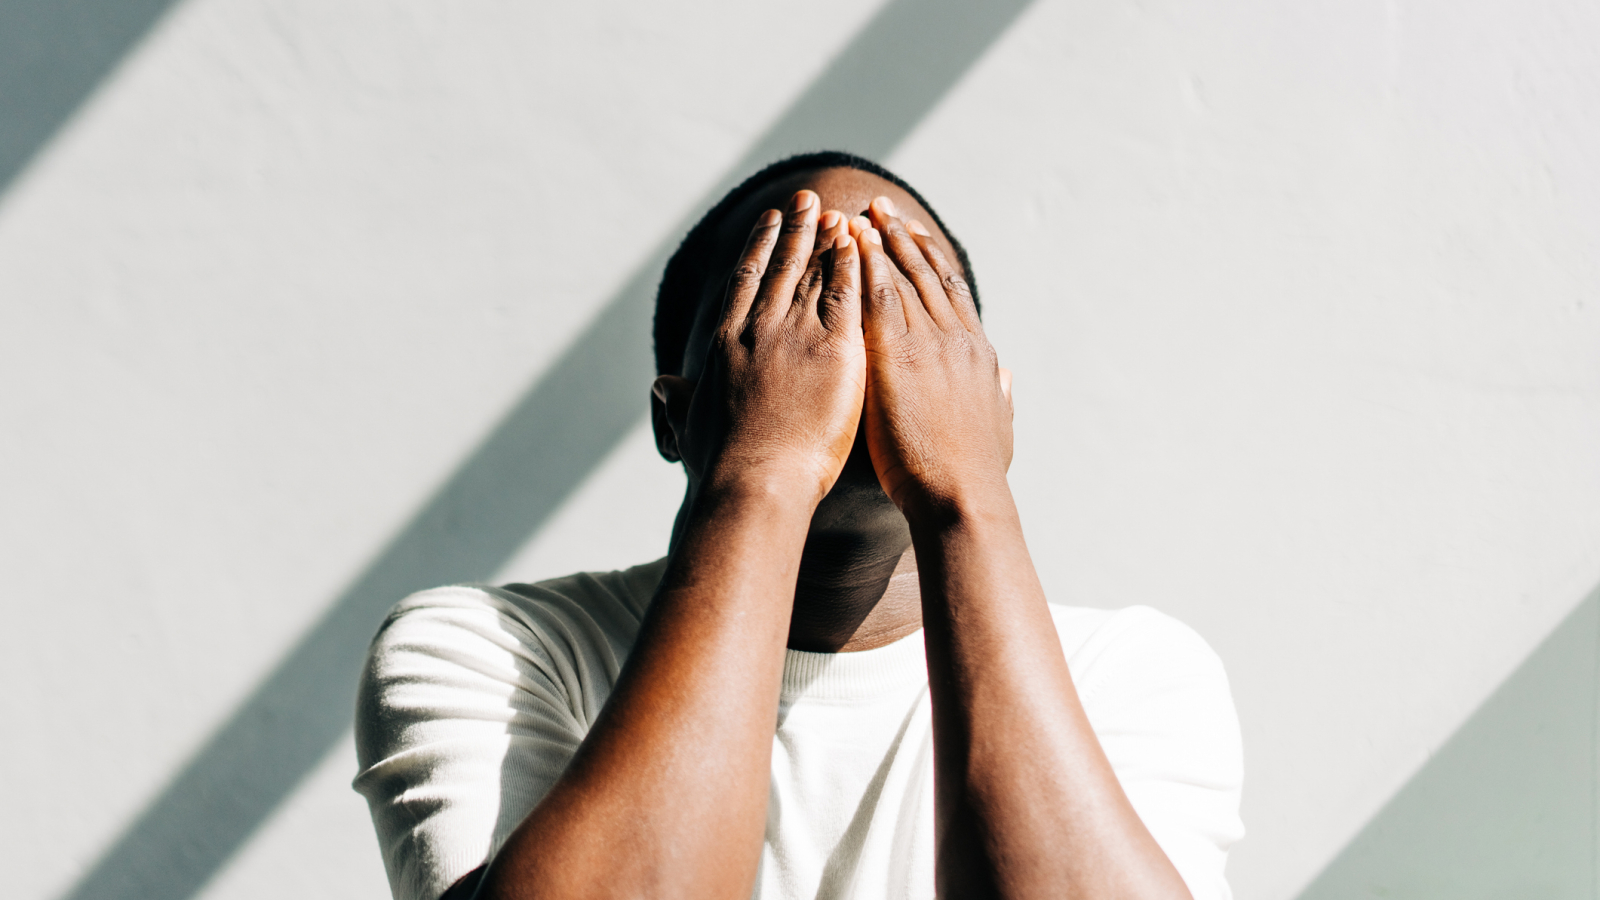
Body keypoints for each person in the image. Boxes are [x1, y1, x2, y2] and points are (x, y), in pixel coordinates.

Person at [352, 151, 1244, 900]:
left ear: (991, 397)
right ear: (677, 417)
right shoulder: (486, 649)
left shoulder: (1134, 672)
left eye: (907, 296)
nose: (849, 336)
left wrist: (966, 494)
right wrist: (763, 477)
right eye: (789, 297)